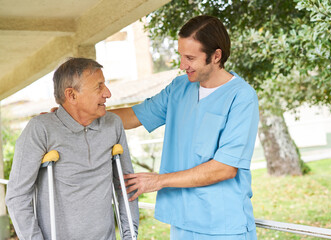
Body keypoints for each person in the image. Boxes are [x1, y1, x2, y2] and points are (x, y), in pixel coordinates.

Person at [111, 15, 259, 239]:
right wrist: (79, 114)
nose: (182, 65)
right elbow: (133, 116)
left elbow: (225, 168)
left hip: (222, 225)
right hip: (182, 222)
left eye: (190, 57)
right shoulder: (179, 89)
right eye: (181, 56)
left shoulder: (241, 97)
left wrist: (158, 180)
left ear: (216, 56)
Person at [6, 58, 139, 240]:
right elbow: (17, 197)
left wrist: (130, 236)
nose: (107, 93)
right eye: (99, 87)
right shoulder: (41, 129)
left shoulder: (112, 124)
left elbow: (125, 185)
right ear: (71, 95)